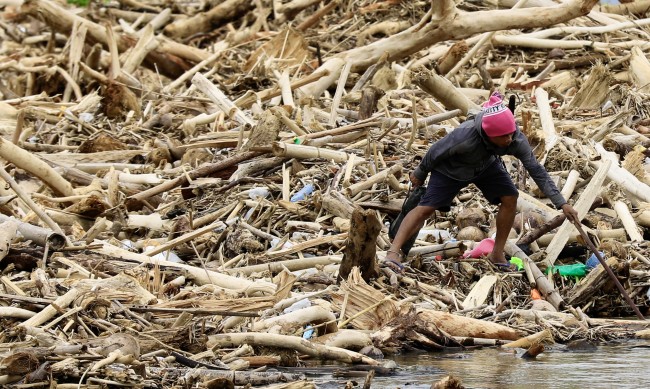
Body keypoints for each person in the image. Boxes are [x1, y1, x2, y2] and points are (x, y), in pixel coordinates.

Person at [384, 91, 579, 272]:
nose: (510, 139)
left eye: (512, 133)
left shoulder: (515, 139)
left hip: (485, 166)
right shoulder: (465, 136)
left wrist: (562, 203)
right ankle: (393, 252)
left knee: (510, 198)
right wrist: (420, 172)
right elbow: (435, 152)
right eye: (504, 136)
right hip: (450, 171)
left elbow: (536, 170)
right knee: (425, 208)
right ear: (490, 135)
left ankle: (497, 253)